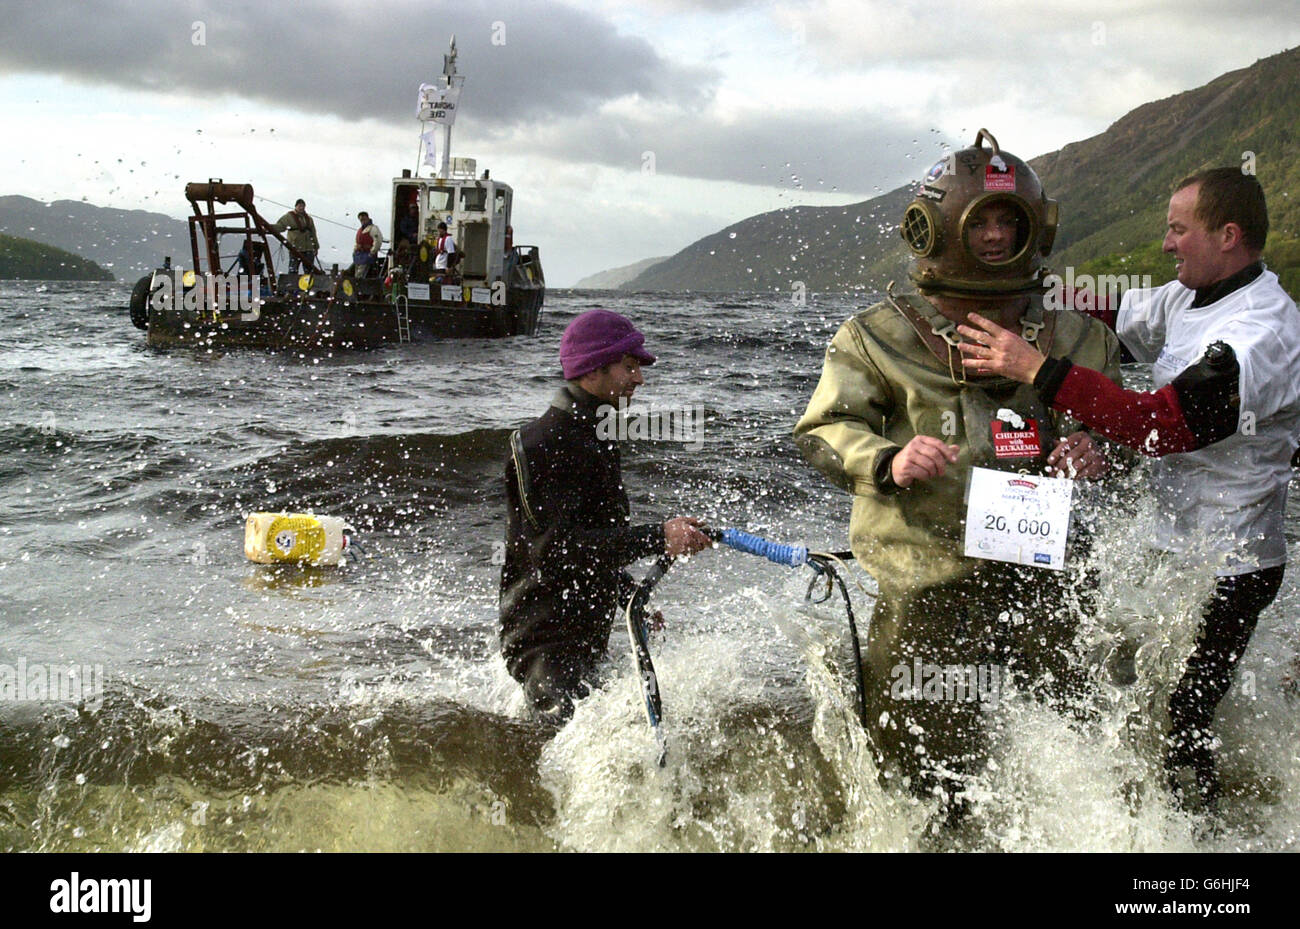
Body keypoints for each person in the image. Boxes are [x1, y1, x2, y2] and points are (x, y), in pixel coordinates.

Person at [793, 130, 1124, 822]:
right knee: (917, 764)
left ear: (1039, 229)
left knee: (1056, 748)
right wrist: (887, 460)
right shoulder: (878, 336)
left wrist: (1093, 448)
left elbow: (1119, 425)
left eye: (1011, 222)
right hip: (927, 575)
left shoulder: (1076, 339)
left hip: (1041, 576)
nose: (999, 238)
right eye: (984, 223)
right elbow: (824, 431)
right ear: (935, 229)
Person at [955, 167, 1300, 811]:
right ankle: (1135, 813)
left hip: (1230, 567)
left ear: (1227, 236)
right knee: (1124, 694)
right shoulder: (1189, 296)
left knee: (1181, 728)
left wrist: (1038, 369)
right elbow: (1103, 311)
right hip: (1169, 549)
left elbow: (1163, 424)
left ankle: (1196, 858)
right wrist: (1011, 273)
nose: (1166, 243)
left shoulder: (1262, 336)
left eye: (1177, 229)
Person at [500, 309, 712, 725]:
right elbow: (556, 553)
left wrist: (628, 595)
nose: (639, 379)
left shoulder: (594, 433)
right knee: (564, 745)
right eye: (629, 366)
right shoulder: (544, 442)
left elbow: (591, 544)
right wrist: (659, 537)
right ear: (593, 369)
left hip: (579, 635)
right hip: (544, 641)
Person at [270, 199, 319, 275]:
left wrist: (316, 246)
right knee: (293, 269)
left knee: (309, 270)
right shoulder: (289, 217)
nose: (301, 208)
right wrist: (269, 227)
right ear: (296, 206)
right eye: (299, 206)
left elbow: (313, 233)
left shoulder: (309, 219)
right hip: (295, 247)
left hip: (309, 247)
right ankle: (291, 284)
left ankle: (307, 285)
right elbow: (281, 226)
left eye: (303, 206)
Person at [352, 212, 383, 278]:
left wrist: (372, 252)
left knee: (361, 273)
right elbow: (357, 242)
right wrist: (355, 250)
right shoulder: (360, 230)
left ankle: (359, 284)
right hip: (359, 255)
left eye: (364, 219)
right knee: (357, 273)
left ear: (368, 218)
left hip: (367, 254)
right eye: (361, 220)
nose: (363, 221)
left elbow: (377, 241)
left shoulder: (373, 228)